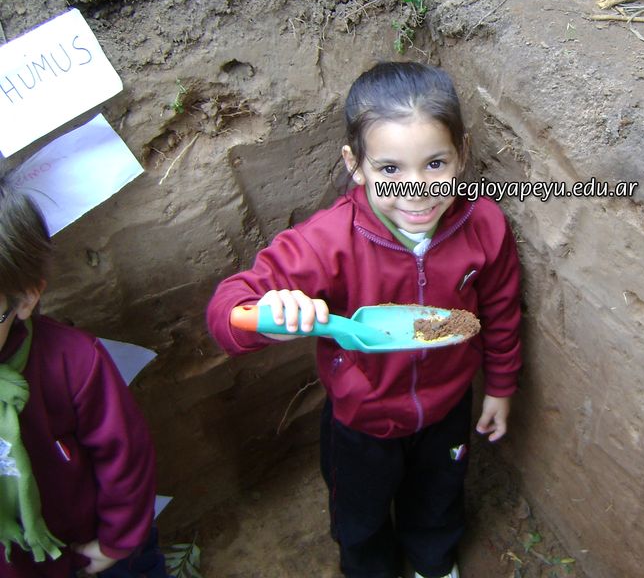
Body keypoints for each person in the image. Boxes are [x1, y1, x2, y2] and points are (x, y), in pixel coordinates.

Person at [207, 61, 523, 578]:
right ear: (355, 164)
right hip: (361, 419)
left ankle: (432, 562)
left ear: (462, 154)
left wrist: (501, 386)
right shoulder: (327, 241)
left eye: (435, 163)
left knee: (439, 498)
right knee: (360, 518)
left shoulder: (483, 224)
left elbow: (502, 312)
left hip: (447, 407)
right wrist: (270, 314)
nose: (417, 190)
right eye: (390, 170)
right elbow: (228, 307)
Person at [0, 169, 166, 578]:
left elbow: (126, 458)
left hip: (92, 547)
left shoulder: (73, 363)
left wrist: (116, 541)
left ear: (25, 299)